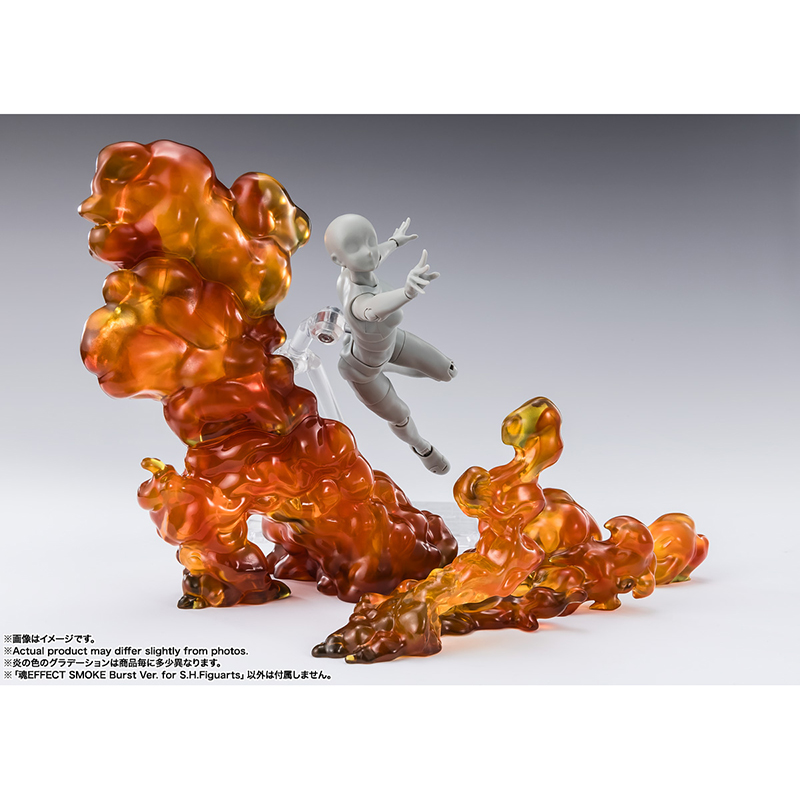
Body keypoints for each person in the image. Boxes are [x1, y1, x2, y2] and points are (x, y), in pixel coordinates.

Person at [324, 214, 457, 474]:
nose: (368, 251)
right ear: (339, 260)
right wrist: (406, 293)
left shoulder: (352, 269)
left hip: (390, 343)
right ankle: (421, 447)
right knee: (401, 415)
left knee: (448, 371)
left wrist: (394, 242)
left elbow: (375, 256)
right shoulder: (358, 301)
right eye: (355, 247)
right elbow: (372, 307)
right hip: (363, 371)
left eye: (370, 241)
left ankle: (389, 366)